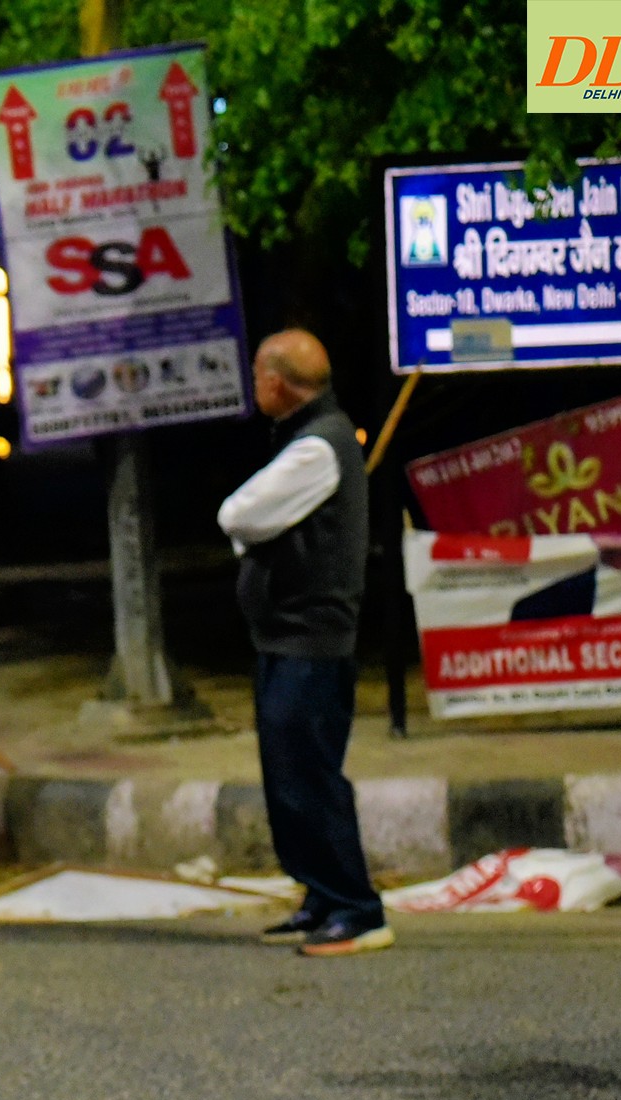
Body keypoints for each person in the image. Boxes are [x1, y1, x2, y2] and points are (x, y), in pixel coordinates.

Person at [218, 330, 392, 956]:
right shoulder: (308, 437)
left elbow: (237, 514)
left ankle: (356, 909)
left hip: (311, 640)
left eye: (258, 375)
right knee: (286, 777)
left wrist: (247, 536)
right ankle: (320, 895)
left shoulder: (319, 445)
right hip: (287, 637)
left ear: (276, 381)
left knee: (309, 779)